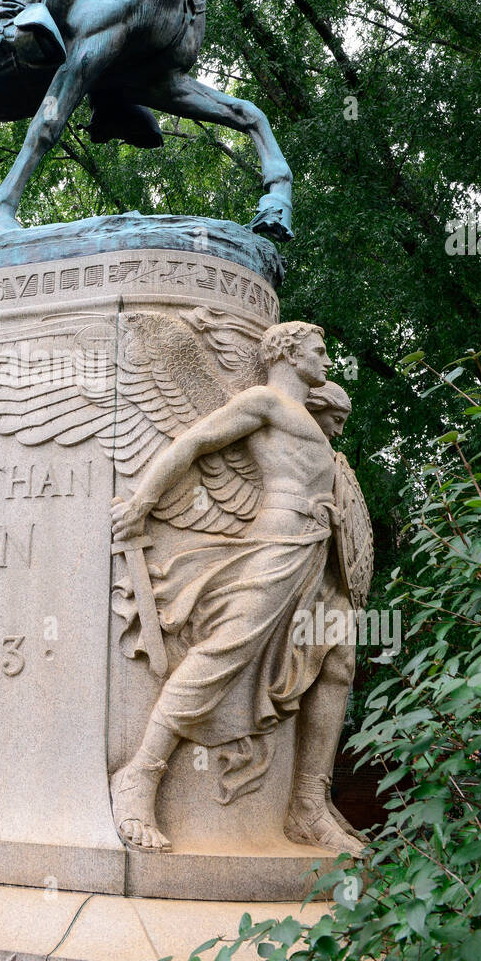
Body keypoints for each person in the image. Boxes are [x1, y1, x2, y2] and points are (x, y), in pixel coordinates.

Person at [109, 322, 364, 854]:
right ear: (290, 354)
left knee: (339, 655)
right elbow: (196, 441)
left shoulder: (310, 421)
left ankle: (308, 807)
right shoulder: (265, 401)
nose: (326, 360)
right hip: (275, 544)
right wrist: (142, 504)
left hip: (314, 555)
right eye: (319, 351)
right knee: (226, 650)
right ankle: (140, 774)